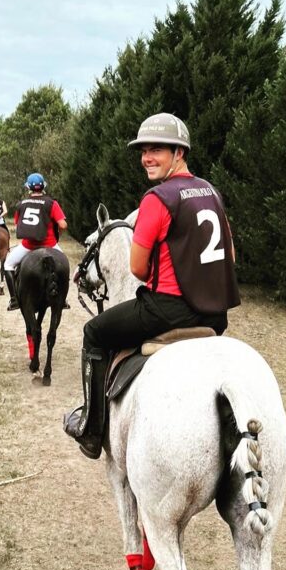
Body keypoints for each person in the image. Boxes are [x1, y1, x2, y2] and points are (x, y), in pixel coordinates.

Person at [63, 112, 240, 459]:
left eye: (157, 149)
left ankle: (91, 428)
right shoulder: (210, 192)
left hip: (167, 311)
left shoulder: (157, 199)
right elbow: (229, 257)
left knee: (94, 333)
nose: (147, 157)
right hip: (216, 316)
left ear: (180, 153)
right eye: (144, 150)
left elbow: (139, 269)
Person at [4, 173, 68, 310]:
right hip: (50, 244)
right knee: (64, 265)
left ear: (28, 188)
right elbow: (63, 225)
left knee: (8, 265)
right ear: (43, 186)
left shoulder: (21, 204)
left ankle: (14, 300)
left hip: (28, 246)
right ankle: (63, 299)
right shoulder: (52, 203)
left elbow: (18, 225)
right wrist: (57, 235)